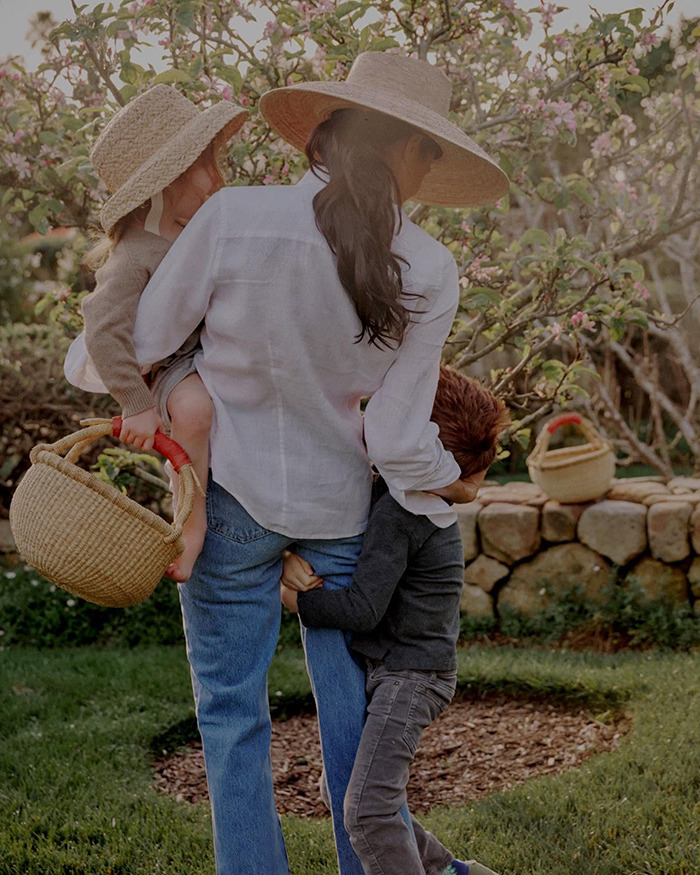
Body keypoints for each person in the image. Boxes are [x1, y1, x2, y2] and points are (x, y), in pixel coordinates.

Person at [127, 51, 509, 875]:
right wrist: (459, 482)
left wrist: (197, 394)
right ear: (409, 151)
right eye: (430, 152)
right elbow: (400, 442)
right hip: (345, 519)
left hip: (231, 503)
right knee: (355, 729)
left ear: (328, 136)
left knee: (231, 717)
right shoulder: (430, 269)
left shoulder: (234, 217)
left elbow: (150, 338)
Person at [281, 365, 511, 875]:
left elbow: (363, 610)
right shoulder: (415, 499)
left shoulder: (402, 513)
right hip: (410, 670)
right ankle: (454, 872)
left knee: (366, 811)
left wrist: (297, 601)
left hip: (410, 678)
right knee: (340, 787)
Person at [63, 85, 248, 581]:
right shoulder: (136, 254)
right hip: (172, 365)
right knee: (193, 411)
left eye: (214, 163)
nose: (216, 180)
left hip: (216, 350)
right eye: (202, 169)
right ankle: (189, 525)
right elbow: (103, 328)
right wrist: (135, 402)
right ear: (164, 182)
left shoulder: (200, 230)